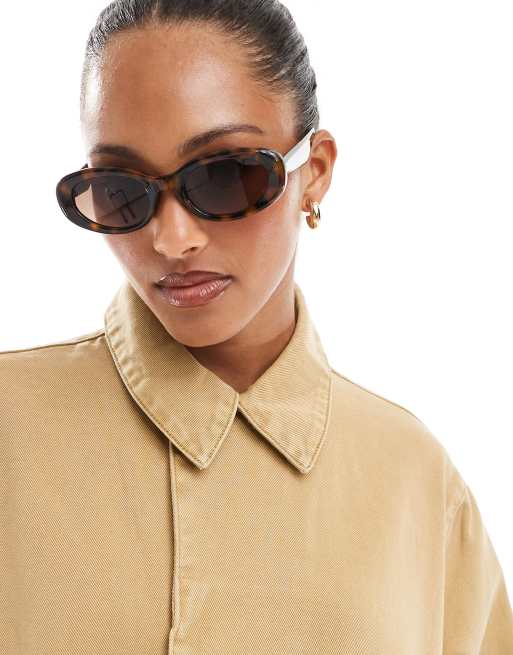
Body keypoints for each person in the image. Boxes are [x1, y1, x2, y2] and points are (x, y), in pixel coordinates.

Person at [1, 1, 512, 653]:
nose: (172, 240)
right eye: (121, 189)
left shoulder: (414, 479)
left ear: (314, 173)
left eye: (225, 177)